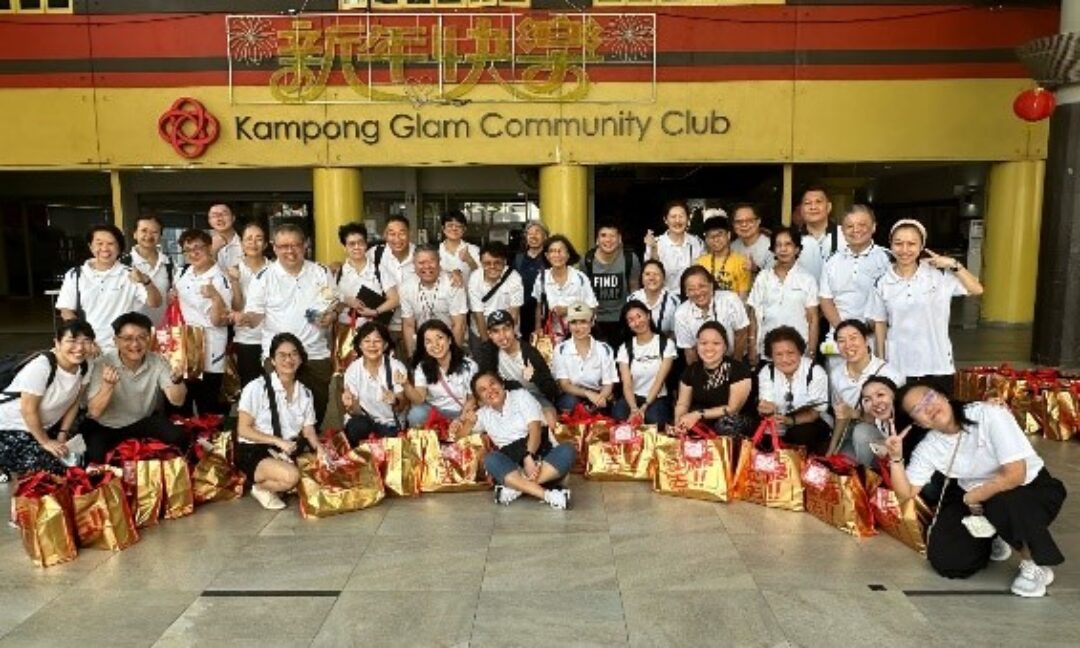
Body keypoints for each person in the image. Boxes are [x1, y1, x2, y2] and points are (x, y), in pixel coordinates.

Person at [889, 382, 1067, 597]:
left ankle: (1034, 563)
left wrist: (974, 497)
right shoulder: (929, 446)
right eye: (918, 409)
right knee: (949, 561)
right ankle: (996, 534)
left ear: (944, 395)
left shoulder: (988, 415)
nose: (929, 408)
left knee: (1002, 503)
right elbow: (906, 494)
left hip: (1028, 489)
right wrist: (895, 459)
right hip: (974, 499)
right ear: (918, 423)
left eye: (929, 397)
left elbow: (1015, 474)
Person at [866, 219, 984, 395]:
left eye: (911, 244)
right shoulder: (883, 281)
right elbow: (880, 323)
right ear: (890, 245)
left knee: (940, 416)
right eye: (898, 243)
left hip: (937, 362)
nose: (904, 250)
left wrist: (953, 264)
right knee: (905, 417)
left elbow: (976, 289)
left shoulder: (938, 274)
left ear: (922, 246)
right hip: (900, 363)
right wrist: (881, 361)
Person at [241, 223, 336, 428]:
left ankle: (309, 455)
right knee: (281, 413)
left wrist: (331, 316)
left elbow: (332, 306)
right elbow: (255, 316)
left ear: (305, 246)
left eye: (295, 245)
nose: (290, 251)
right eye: (283, 246)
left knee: (316, 411)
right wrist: (244, 318)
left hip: (315, 353)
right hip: (278, 356)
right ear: (274, 248)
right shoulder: (264, 277)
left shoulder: (321, 272)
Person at [81, 312, 189, 464]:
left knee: (179, 437)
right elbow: (94, 411)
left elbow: (177, 401)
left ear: (149, 339)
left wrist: (177, 380)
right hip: (106, 425)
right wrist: (108, 386)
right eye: (128, 338)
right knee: (94, 459)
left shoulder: (158, 361)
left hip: (142, 422)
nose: (135, 344)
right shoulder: (102, 363)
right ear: (115, 341)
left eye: (141, 337)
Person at [459, 371, 574, 509]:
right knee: (490, 459)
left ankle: (517, 487)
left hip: (543, 459)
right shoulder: (483, 414)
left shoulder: (521, 396)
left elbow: (535, 429)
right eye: (483, 390)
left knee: (567, 450)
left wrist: (528, 457)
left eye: (492, 384)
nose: (490, 390)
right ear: (480, 399)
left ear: (501, 384)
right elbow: (460, 438)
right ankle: (548, 495)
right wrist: (469, 423)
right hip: (514, 466)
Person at [235, 332, 323, 510]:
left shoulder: (305, 392)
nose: (288, 359)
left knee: (324, 471)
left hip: (286, 449)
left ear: (300, 359)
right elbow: (243, 429)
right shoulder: (256, 387)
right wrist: (277, 441)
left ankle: (278, 483)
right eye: (282, 355)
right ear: (273, 361)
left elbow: (308, 430)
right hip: (255, 449)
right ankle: (260, 487)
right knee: (291, 477)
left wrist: (321, 450)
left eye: (293, 354)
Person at [0, 320, 93, 476]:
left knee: (79, 459)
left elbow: (75, 401)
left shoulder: (85, 365)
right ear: (57, 343)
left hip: (45, 426)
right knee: (53, 470)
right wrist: (46, 442)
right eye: (72, 341)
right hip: (10, 428)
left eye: (86, 341)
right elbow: (28, 409)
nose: (79, 348)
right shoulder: (42, 366)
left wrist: (63, 433)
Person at [56, 224, 161, 354]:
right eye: (99, 243)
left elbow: (155, 303)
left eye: (111, 243)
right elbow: (66, 310)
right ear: (90, 246)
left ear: (119, 247)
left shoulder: (129, 274)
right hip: (88, 349)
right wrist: (84, 340)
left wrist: (146, 281)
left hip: (123, 349)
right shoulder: (76, 274)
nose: (105, 249)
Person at [818, 205, 891, 360]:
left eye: (862, 225)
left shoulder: (887, 259)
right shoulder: (832, 261)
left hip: (875, 338)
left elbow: (892, 300)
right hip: (839, 340)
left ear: (873, 227)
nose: (855, 230)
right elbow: (826, 300)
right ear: (842, 231)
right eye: (849, 226)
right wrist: (844, 332)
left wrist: (864, 330)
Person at [828, 319, 905, 463]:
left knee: (861, 433)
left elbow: (895, 417)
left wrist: (855, 413)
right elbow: (842, 416)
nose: (848, 345)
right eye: (841, 340)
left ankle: (870, 480)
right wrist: (831, 450)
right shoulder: (836, 374)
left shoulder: (890, 374)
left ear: (866, 340)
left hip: (885, 436)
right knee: (842, 462)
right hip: (852, 430)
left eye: (853, 338)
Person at [174, 228, 233, 415]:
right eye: (188, 250)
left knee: (208, 403)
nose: (193, 253)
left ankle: (210, 443)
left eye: (198, 248)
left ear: (209, 248)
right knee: (185, 400)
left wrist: (216, 297)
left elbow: (220, 321)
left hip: (211, 346)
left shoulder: (220, 279)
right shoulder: (183, 273)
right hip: (187, 344)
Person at [475, 309, 559, 432]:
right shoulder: (488, 351)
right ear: (490, 334)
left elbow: (552, 390)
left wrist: (535, 377)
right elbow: (485, 380)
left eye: (506, 329)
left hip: (534, 396)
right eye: (496, 331)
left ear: (514, 329)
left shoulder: (530, 353)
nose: (502, 336)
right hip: (506, 397)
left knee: (550, 421)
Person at [746, 226, 819, 366]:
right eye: (778, 245)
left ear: (797, 249)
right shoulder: (763, 277)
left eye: (788, 244)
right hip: (767, 351)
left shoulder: (807, 279)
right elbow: (753, 315)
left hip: (798, 352)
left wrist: (811, 351)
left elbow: (813, 319)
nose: (783, 249)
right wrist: (752, 346)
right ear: (773, 250)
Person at [756, 326, 830, 453]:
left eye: (790, 353)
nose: (785, 359)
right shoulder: (767, 372)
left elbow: (815, 413)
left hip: (810, 424)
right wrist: (765, 409)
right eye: (778, 354)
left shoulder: (815, 371)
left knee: (800, 433)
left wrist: (790, 420)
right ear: (771, 356)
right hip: (778, 425)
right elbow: (766, 403)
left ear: (800, 351)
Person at [673, 321, 753, 434]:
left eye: (716, 343)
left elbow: (733, 409)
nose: (709, 348)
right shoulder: (691, 370)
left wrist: (698, 414)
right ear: (697, 346)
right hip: (702, 419)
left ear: (725, 346)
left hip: (731, 420)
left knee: (726, 425)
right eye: (703, 343)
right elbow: (683, 404)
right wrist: (679, 422)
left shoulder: (738, 369)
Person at [341, 321, 408, 444]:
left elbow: (402, 405)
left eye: (377, 341)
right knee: (356, 426)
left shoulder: (396, 367)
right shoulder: (353, 370)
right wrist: (350, 405)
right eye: (366, 341)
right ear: (360, 345)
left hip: (390, 423)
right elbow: (355, 412)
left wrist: (395, 401)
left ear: (386, 345)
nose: (372, 345)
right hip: (365, 421)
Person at [403, 319, 477, 428]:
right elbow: (419, 399)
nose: (435, 345)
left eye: (440, 338)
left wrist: (461, 418)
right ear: (424, 346)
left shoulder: (469, 365)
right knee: (416, 414)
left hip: (461, 410)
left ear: (450, 340)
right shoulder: (422, 367)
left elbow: (472, 398)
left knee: (476, 420)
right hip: (435, 412)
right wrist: (406, 384)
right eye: (428, 342)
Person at [612, 300, 676, 425]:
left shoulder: (665, 344)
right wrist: (634, 408)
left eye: (639, 316)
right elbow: (627, 384)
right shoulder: (625, 348)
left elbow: (659, 380)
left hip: (657, 397)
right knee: (619, 416)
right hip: (633, 397)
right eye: (631, 320)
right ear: (628, 325)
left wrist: (644, 407)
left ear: (648, 315)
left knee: (653, 419)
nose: (637, 322)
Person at [399, 245, 469, 357]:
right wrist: (412, 356)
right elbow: (409, 325)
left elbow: (459, 324)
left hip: (452, 341)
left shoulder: (453, 283)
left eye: (432, 261)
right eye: (421, 262)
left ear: (439, 262)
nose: (427, 266)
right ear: (414, 265)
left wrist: (453, 357)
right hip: (425, 344)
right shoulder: (406, 287)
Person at [673, 265, 749, 364]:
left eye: (702, 286)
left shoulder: (730, 300)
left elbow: (741, 333)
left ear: (711, 285)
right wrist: (696, 375)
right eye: (691, 289)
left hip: (733, 358)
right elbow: (690, 350)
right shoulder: (681, 314)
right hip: (703, 363)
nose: (698, 292)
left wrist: (735, 366)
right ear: (686, 293)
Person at [552, 302, 617, 414]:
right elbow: (565, 385)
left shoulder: (604, 349)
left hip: (597, 394)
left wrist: (600, 398)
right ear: (568, 324)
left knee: (606, 407)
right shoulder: (561, 349)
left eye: (583, 322)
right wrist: (587, 394)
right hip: (572, 394)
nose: (578, 328)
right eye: (574, 322)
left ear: (591, 322)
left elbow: (608, 383)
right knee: (570, 402)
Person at [227, 221, 271, 388]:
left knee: (276, 388)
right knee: (251, 388)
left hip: (273, 336)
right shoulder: (233, 270)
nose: (253, 243)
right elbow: (237, 307)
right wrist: (235, 282)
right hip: (246, 339)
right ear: (242, 243)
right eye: (249, 239)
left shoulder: (275, 270)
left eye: (259, 239)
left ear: (266, 244)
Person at [582, 221, 641, 344]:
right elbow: (583, 293)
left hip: (622, 320)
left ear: (619, 239)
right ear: (597, 240)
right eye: (603, 235)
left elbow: (635, 289)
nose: (608, 240)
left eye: (612, 236)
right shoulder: (587, 260)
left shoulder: (630, 259)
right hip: (596, 321)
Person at [532, 235, 598, 345]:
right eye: (552, 251)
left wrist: (568, 310)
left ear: (568, 255)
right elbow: (539, 307)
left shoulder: (580, 278)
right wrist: (538, 329)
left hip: (578, 336)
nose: (557, 255)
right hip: (551, 338)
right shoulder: (542, 278)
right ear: (547, 256)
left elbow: (593, 308)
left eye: (560, 251)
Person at [334, 222, 401, 331]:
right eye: (351, 244)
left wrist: (375, 311)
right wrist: (346, 300)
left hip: (373, 331)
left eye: (360, 243)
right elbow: (331, 301)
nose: (357, 247)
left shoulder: (378, 270)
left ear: (366, 244)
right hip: (345, 330)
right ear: (344, 247)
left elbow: (395, 299)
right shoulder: (338, 273)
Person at [370, 215, 417, 357]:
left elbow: (440, 270)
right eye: (392, 233)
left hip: (415, 324)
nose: (397, 239)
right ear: (385, 235)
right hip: (384, 325)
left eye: (402, 233)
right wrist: (336, 265)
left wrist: (456, 272)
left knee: (414, 368)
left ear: (410, 234)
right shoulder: (375, 254)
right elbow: (356, 265)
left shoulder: (421, 254)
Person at [122, 213, 173, 325]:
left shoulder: (169, 264)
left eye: (154, 232)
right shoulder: (124, 264)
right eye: (144, 231)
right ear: (135, 234)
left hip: (162, 331)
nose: (149, 236)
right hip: (133, 334)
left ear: (160, 236)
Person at [467, 241, 524, 342]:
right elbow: (478, 314)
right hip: (481, 332)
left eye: (497, 262)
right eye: (487, 263)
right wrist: (486, 341)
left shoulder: (514, 278)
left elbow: (514, 314)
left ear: (505, 262)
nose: (492, 267)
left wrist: (504, 340)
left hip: (508, 333)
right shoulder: (475, 278)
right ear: (481, 263)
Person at [644, 200, 704, 294]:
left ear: (688, 219)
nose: (677, 220)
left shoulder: (697, 242)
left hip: (692, 296)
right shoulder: (656, 243)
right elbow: (650, 275)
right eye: (673, 217)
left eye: (681, 216)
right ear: (665, 220)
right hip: (665, 298)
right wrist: (653, 249)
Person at [694, 214, 751, 301]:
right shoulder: (700, 263)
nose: (715, 240)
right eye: (710, 236)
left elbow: (743, 296)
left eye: (719, 235)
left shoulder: (741, 262)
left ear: (728, 235)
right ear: (706, 239)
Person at [796, 186, 846, 281]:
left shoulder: (845, 235)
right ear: (801, 210)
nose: (813, 207)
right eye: (807, 203)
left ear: (829, 207)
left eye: (818, 202)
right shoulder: (793, 238)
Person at [513, 221, 548, 341]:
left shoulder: (550, 258)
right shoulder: (518, 258)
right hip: (522, 311)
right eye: (530, 233)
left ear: (545, 236)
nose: (533, 236)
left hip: (545, 311)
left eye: (537, 232)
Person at [627, 259, 679, 336]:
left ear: (663, 278)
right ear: (641, 278)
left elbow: (675, 334)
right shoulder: (632, 299)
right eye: (647, 274)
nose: (651, 278)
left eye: (656, 274)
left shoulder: (673, 301)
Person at [438, 210, 480, 288]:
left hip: (467, 298)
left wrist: (470, 260)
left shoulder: (473, 250)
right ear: (443, 228)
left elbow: (482, 277)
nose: (454, 229)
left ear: (464, 229)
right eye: (450, 225)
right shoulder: (435, 251)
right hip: (441, 298)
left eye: (458, 226)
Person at [730, 203, 773, 277]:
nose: (744, 225)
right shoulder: (732, 247)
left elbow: (775, 280)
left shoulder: (771, 247)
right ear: (733, 224)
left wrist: (755, 269)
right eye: (739, 222)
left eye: (749, 220)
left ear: (758, 221)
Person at [208, 203, 242, 272]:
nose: (219, 218)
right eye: (214, 215)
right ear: (209, 221)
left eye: (224, 214)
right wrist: (213, 251)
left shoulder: (245, 243)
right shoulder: (203, 246)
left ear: (233, 218)